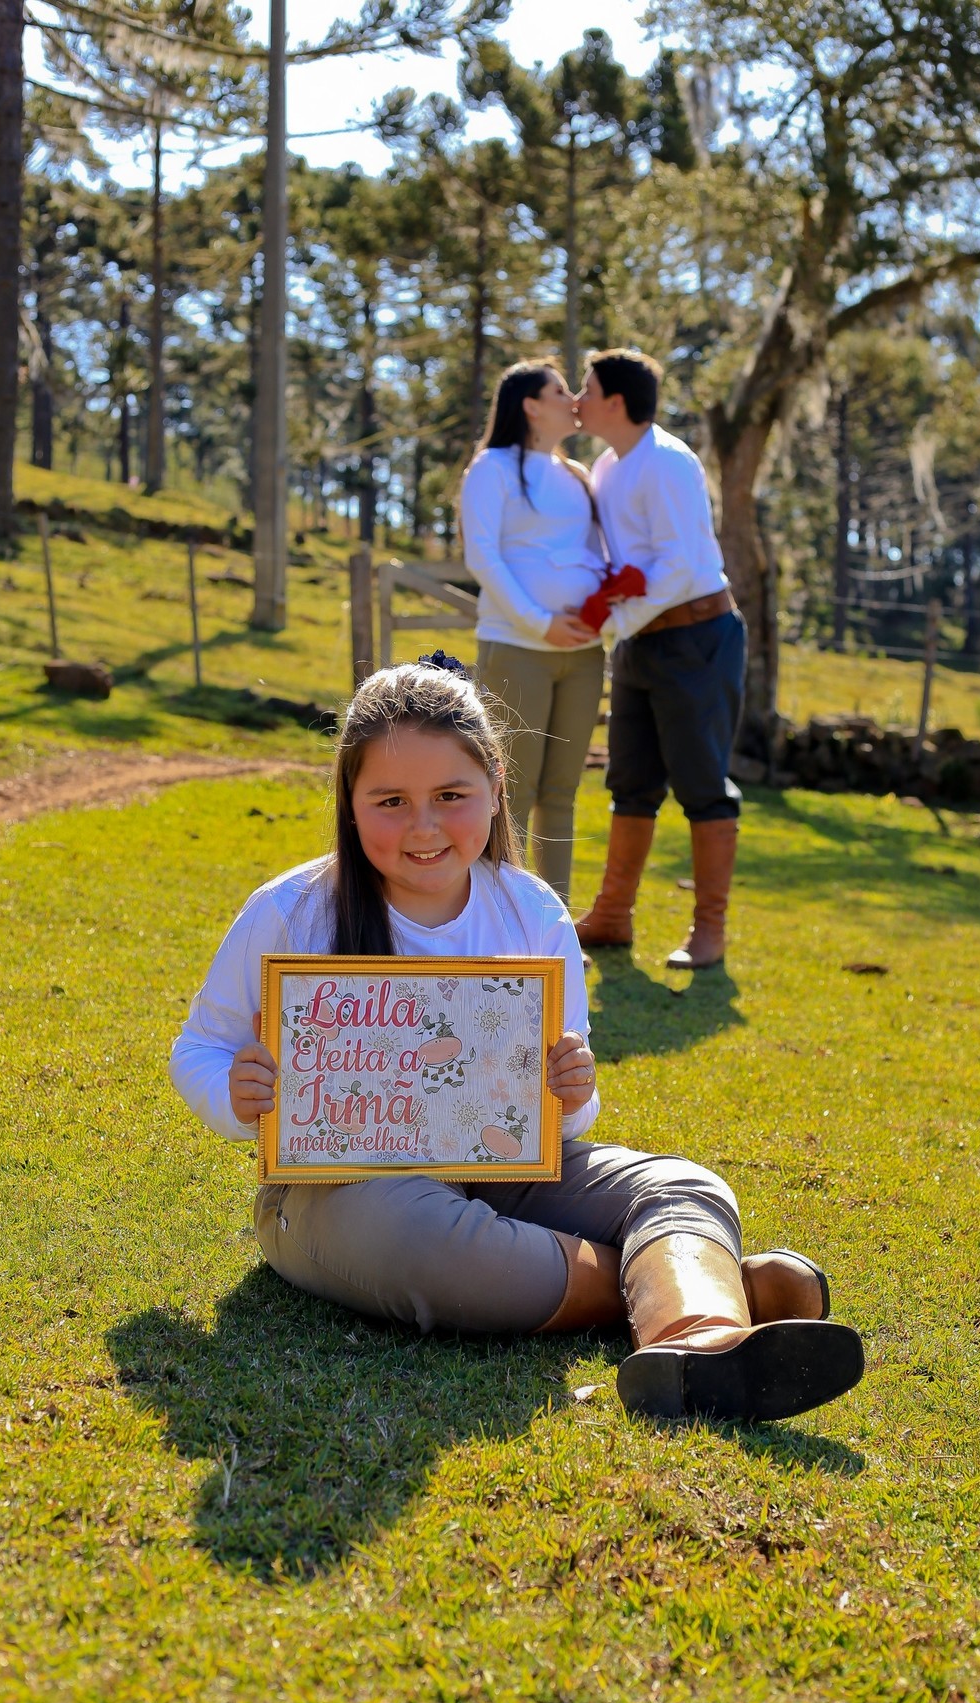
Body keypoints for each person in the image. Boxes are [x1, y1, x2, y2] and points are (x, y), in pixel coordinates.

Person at [169, 657, 864, 1424]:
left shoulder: (531, 911)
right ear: (350, 802)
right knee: (417, 1238)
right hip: (339, 1190)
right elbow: (199, 1047)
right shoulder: (293, 909)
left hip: (504, 1170)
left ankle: (698, 1340)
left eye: (451, 796)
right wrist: (235, 1094)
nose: (424, 826)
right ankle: (686, 1289)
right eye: (391, 801)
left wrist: (574, 1091)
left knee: (684, 1187)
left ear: (497, 784)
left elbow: (563, 1121)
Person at [573, 349, 745, 970]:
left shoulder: (668, 461)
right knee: (630, 779)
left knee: (702, 783)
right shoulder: (606, 466)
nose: (577, 400)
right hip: (640, 642)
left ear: (616, 402)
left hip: (697, 638)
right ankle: (613, 915)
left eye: (587, 389)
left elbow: (675, 567)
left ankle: (710, 930)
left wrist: (612, 625)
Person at [460, 360, 606, 906]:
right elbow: (483, 557)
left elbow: (599, 555)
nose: (573, 399)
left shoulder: (578, 476)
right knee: (511, 789)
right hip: (517, 648)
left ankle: (555, 926)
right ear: (531, 405)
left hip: (584, 655)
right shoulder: (492, 468)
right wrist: (541, 622)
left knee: (562, 791)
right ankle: (503, 918)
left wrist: (598, 617)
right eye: (560, 390)